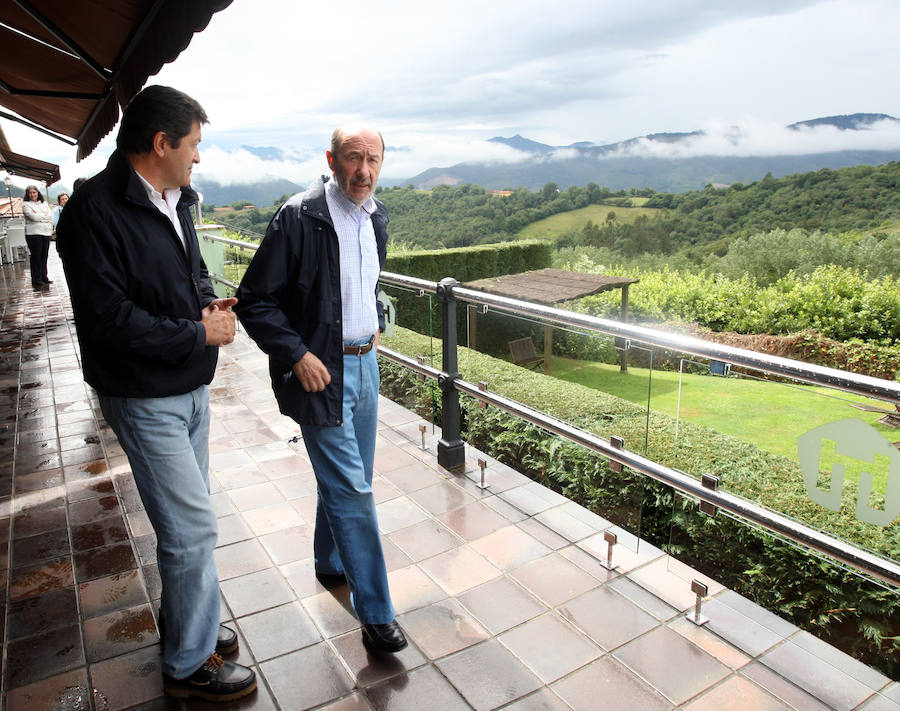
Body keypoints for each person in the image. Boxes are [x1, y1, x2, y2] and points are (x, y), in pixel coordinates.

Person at [56, 85, 256, 703]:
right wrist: (196, 330)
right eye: (193, 144)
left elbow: (193, 269)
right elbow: (108, 320)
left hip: (188, 385)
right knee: (193, 527)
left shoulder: (176, 199)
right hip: (144, 395)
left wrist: (204, 302)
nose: (199, 157)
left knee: (182, 524)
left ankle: (185, 625)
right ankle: (189, 663)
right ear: (162, 142)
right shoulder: (93, 211)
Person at [235, 125, 407, 653]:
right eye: (353, 159)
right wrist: (297, 355)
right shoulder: (299, 217)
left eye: (373, 159)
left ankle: (330, 561)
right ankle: (376, 614)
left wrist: (375, 315)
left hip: (367, 365)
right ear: (331, 160)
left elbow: (364, 283)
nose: (364, 171)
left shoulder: (375, 216)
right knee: (354, 490)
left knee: (351, 480)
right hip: (321, 371)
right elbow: (255, 300)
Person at [22, 184, 53, 287]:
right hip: (33, 234)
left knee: (44, 256)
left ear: (38, 193)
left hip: (46, 233)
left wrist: (38, 215)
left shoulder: (44, 203)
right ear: (27, 194)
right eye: (30, 193)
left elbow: (50, 216)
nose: (32, 194)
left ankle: (44, 277)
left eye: (34, 192)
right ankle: (36, 279)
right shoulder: (26, 204)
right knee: (36, 257)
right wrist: (43, 216)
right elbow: (32, 218)